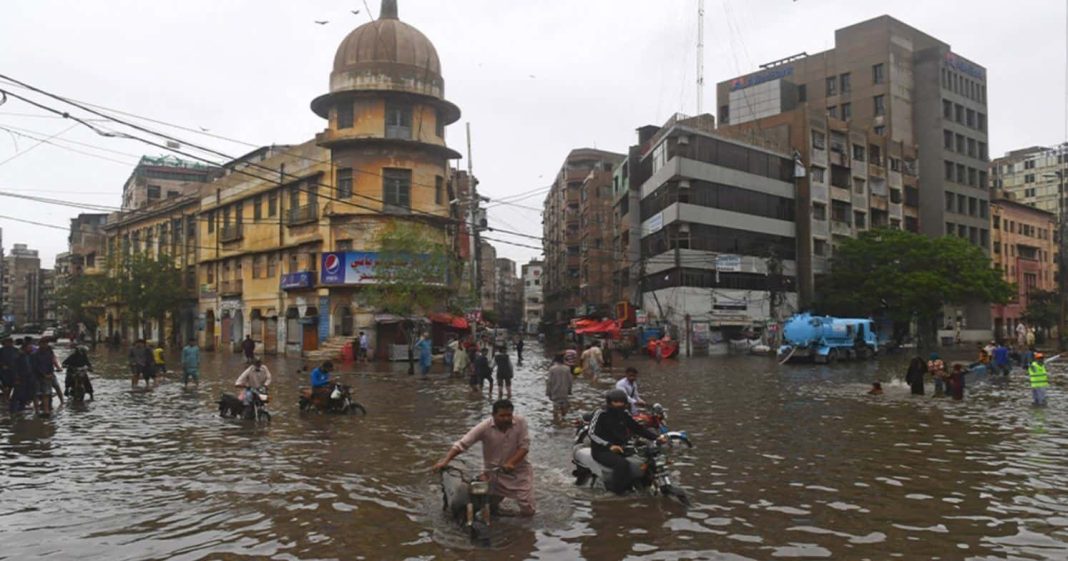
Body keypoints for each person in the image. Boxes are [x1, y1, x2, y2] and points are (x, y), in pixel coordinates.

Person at [433, 399, 535, 517]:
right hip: (494, 472)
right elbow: (462, 444)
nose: (506, 418)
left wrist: (511, 463)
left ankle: (525, 531)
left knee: (527, 508)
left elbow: (524, 447)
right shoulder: (484, 427)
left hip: (518, 472)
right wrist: (445, 461)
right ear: (493, 415)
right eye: (502, 415)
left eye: (509, 415)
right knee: (490, 506)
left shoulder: (520, 423)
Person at [588, 388, 667, 494]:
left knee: (645, 459)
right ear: (609, 402)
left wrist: (656, 438)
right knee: (622, 464)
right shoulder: (601, 413)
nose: (619, 404)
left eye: (621, 402)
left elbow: (637, 428)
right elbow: (592, 433)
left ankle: (641, 486)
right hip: (602, 450)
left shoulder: (624, 413)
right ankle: (617, 492)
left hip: (621, 447)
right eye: (615, 402)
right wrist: (609, 446)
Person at [32, 337, 61, 414]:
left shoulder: (50, 352)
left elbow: (52, 363)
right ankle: (37, 411)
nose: (45, 345)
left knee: (47, 393)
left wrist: (51, 373)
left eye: (46, 343)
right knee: (36, 394)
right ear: (40, 344)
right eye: (43, 343)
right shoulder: (35, 354)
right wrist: (44, 374)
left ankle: (46, 410)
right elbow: (35, 366)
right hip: (37, 376)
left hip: (48, 375)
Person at [10, 339, 35, 414]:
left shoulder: (30, 356)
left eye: (31, 347)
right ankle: (13, 410)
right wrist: (16, 377)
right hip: (20, 378)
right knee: (17, 394)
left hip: (28, 378)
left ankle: (21, 408)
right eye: (29, 347)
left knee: (26, 394)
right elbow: (14, 368)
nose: (31, 349)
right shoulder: (18, 356)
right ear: (24, 348)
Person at [546, 354, 572, 424]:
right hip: (564, 392)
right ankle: (564, 421)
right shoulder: (567, 369)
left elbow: (549, 382)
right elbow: (570, 381)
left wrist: (548, 393)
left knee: (555, 409)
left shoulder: (552, 369)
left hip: (555, 392)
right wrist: (569, 391)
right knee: (564, 407)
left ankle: (556, 423)